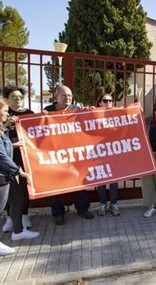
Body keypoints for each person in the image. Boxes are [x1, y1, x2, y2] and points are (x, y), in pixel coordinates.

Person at [0, 97, 39, 256]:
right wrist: (20, 172)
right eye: (4, 110)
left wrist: (12, 138)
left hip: (3, 176)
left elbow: (4, 145)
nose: (7, 113)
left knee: (17, 200)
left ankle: (18, 231)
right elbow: (1, 156)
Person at [44, 85, 94, 225]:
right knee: (55, 186)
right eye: (64, 95)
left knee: (79, 184)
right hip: (54, 155)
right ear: (56, 96)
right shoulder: (47, 111)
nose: (68, 98)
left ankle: (83, 210)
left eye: (70, 96)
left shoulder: (76, 110)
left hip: (74, 155)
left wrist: (91, 113)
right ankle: (58, 213)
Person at [1, 86, 35, 232]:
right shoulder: (2, 115)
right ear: (7, 100)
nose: (18, 100)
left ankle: (24, 215)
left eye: (20, 97)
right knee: (8, 188)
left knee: (23, 187)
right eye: (14, 97)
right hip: (6, 158)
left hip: (25, 157)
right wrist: (6, 124)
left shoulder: (29, 114)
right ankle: (9, 217)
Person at [95, 93, 120, 216]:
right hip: (98, 153)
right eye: (105, 101)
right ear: (99, 102)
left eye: (110, 101)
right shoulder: (91, 115)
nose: (108, 103)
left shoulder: (117, 114)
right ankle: (103, 204)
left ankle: (114, 204)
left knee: (114, 180)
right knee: (101, 181)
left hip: (113, 152)